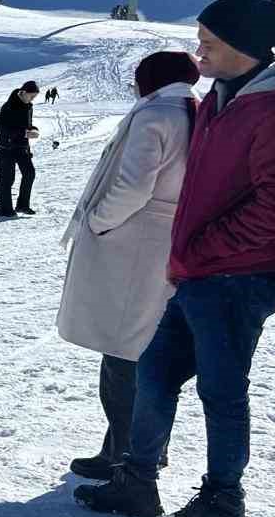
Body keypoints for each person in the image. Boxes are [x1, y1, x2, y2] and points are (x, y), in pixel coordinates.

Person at [78, 0, 275, 517]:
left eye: (209, 43)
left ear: (245, 47)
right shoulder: (222, 96)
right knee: (155, 375)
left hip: (238, 276)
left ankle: (223, 503)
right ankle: (139, 480)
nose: (198, 53)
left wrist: (206, 248)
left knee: (221, 391)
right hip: (198, 274)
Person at [58, 51, 199, 480]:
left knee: (122, 356)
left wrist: (99, 221)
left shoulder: (155, 113)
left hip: (131, 245)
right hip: (161, 244)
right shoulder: (191, 110)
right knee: (148, 352)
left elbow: (133, 185)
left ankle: (124, 455)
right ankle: (147, 448)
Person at [0, 81, 41, 216]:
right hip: (6, 147)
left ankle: (22, 205)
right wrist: (25, 133)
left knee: (29, 173)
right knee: (7, 179)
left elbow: (28, 125)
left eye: (34, 97)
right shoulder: (8, 107)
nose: (32, 99)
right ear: (23, 92)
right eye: (31, 96)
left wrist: (34, 130)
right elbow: (5, 129)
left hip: (22, 147)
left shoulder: (29, 107)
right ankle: (5, 210)